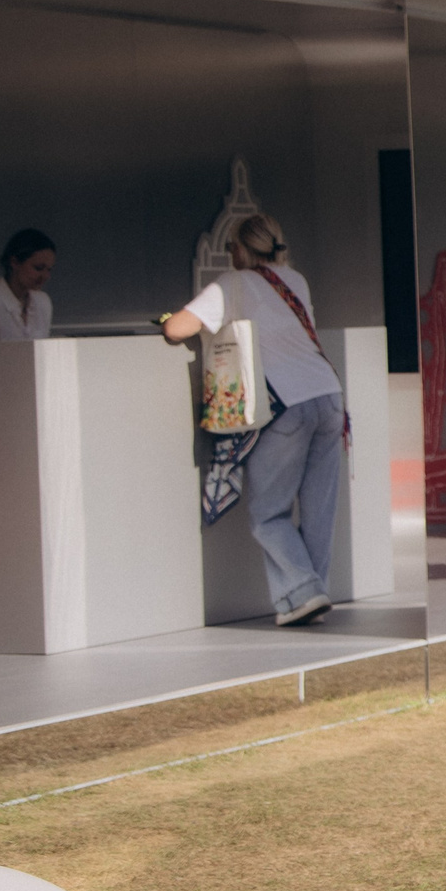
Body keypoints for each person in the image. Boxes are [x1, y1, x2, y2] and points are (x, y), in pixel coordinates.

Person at [162, 213, 347, 627]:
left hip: (285, 405)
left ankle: (304, 592)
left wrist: (166, 320)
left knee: (268, 513)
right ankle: (310, 598)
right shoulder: (295, 280)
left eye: (232, 247)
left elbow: (176, 328)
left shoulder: (232, 283)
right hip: (329, 396)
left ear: (241, 249)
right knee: (318, 511)